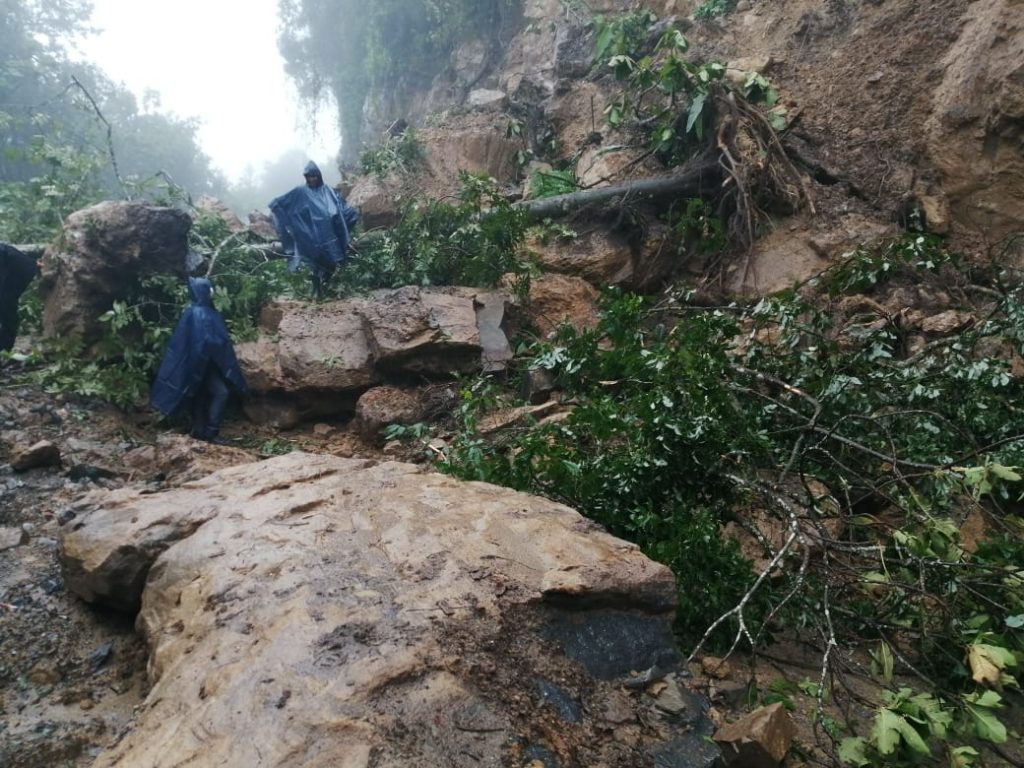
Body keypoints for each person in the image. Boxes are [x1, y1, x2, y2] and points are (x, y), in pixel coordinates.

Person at [150, 277, 247, 444]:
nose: (212, 291)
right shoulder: (199, 313)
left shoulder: (192, 311)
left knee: (199, 394)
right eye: (209, 288)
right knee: (220, 393)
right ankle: (211, 432)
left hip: (200, 363)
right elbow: (209, 341)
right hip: (203, 363)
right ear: (204, 291)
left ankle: (199, 430)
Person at [269, 161, 360, 300]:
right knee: (314, 263)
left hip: (329, 236)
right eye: (309, 176)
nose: (312, 179)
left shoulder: (328, 190)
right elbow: (281, 203)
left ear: (319, 176)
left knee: (331, 261)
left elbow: (340, 207)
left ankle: (327, 285)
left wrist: (350, 215)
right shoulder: (301, 192)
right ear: (306, 177)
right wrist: (278, 209)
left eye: (314, 176)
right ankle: (316, 290)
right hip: (310, 236)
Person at [0, 242, 40, 352]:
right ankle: (4, 348)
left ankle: (4, 349)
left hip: (17, 270)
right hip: (15, 267)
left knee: (6, 306)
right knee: (6, 307)